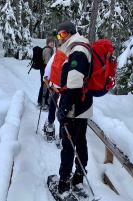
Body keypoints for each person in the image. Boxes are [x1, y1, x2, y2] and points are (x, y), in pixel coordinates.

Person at [55, 21, 93, 195]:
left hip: (75, 105)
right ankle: (79, 175)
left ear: (70, 33)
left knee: (69, 144)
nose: (60, 38)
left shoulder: (78, 51)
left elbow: (75, 84)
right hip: (83, 104)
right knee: (80, 140)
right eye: (58, 35)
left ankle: (64, 182)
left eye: (63, 34)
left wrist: (63, 108)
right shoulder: (79, 48)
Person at [43, 45, 65, 148]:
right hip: (66, 88)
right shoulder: (72, 54)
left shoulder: (57, 54)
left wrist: (46, 79)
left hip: (54, 86)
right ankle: (61, 135)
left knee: (52, 104)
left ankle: (50, 126)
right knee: (63, 109)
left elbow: (47, 69)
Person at [37, 37, 55, 111]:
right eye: (50, 42)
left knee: (44, 85)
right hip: (46, 70)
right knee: (46, 86)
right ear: (47, 43)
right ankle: (43, 104)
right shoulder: (47, 50)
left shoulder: (49, 49)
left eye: (52, 42)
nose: (52, 43)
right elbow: (48, 62)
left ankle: (40, 101)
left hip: (45, 70)